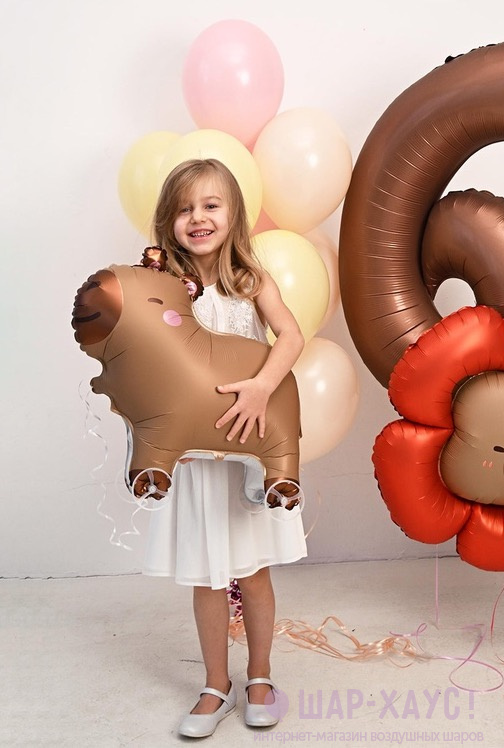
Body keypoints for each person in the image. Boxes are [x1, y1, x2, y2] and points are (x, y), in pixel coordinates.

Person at [142, 158, 306, 737]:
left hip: (245, 451)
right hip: (195, 460)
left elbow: (291, 336)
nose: (198, 217)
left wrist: (261, 388)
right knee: (207, 576)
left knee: (252, 572)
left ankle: (259, 677)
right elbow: (151, 360)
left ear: (233, 214)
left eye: (210, 205)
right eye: (184, 209)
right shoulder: (162, 288)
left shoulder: (251, 281)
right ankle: (217, 683)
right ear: (168, 221)